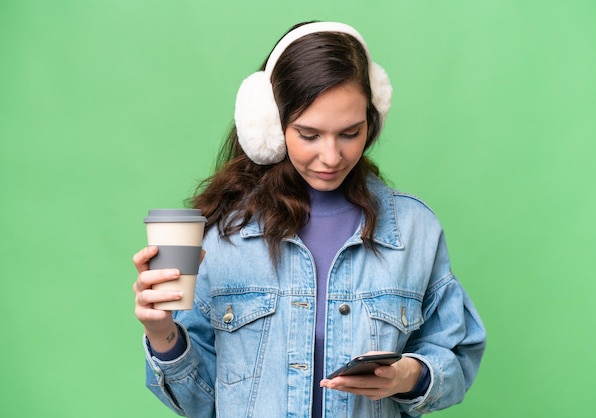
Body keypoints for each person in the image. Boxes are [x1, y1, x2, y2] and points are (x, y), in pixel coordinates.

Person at [133, 21, 486, 418]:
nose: (332, 157)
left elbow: (458, 356)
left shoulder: (414, 229)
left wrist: (409, 376)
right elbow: (199, 402)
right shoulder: (220, 233)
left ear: (373, 121)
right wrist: (161, 330)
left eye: (350, 133)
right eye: (309, 134)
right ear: (269, 125)